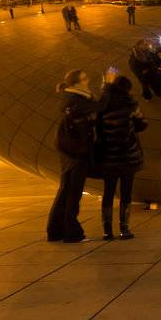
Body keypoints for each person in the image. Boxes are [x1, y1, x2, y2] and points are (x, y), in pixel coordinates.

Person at [93, 75, 146, 240]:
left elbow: (97, 128)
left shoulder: (103, 104)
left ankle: (107, 230)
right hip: (128, 155)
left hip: (109, 156)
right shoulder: (130, 104)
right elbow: (142, 124)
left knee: (108, 192)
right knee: (126, 192)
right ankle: (124, 228)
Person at [47, 69, 97, 242]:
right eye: (84, 78)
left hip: (69, 152)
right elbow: (98, 107)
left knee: (65, 191)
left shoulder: (71, 98)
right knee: (73, 194)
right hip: (76, 153)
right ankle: (71, 233)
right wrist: (109, 87)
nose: (88, 80)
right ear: (76, 83)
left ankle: (55, 231)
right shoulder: (77, 100)